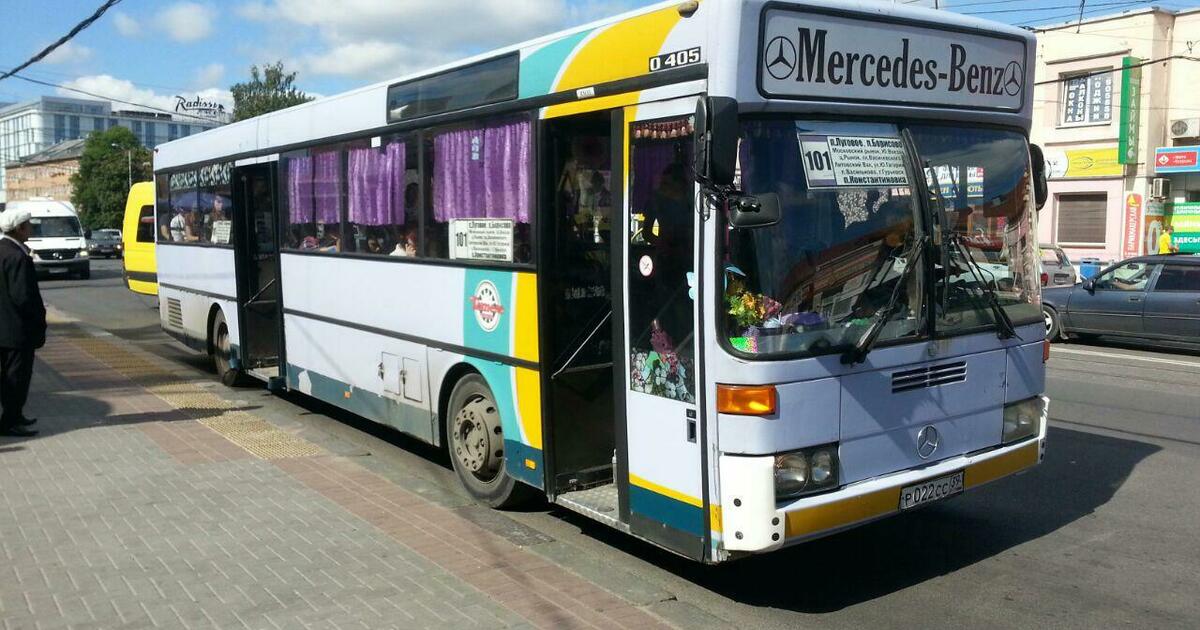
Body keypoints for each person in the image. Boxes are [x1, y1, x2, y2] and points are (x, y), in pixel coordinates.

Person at [0, 209, 46, 437]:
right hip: (16, 330)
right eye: (29, 225)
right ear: (19, 229)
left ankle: (15, 415)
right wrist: (38, 320)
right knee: (17, 376)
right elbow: (23, 297)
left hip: (4, 328)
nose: (31, 229)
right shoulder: (17, 257)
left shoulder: (3, 250)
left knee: (9, 375)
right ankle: (10, 421)